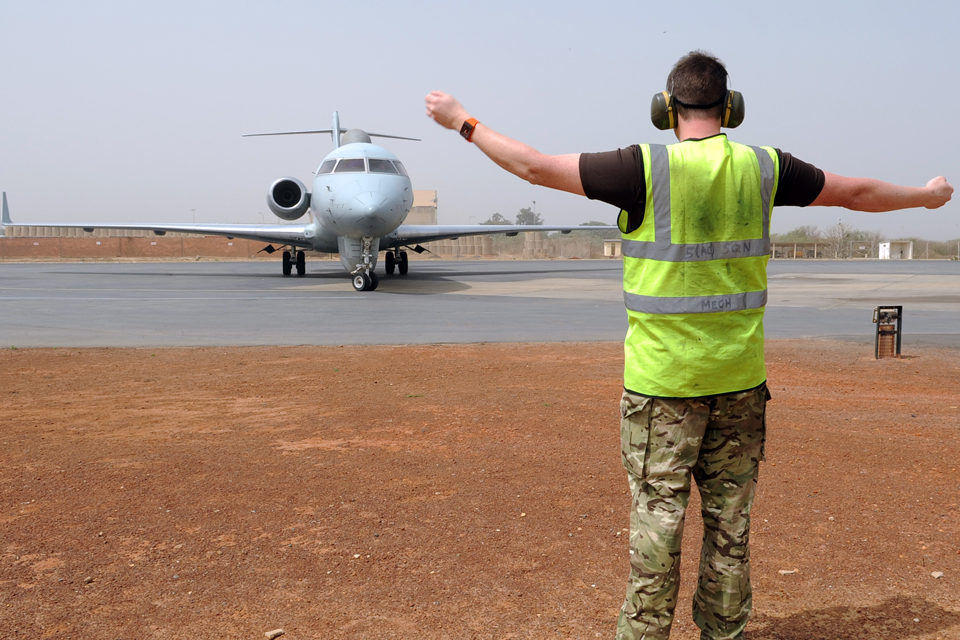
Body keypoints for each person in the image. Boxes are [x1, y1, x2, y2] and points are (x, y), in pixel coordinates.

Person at [425, 51, 953, 640]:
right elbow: (857, 193)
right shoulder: (764, 167)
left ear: (665, 109)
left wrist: (463, 122)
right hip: (740, 384)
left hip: (662, 391)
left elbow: (536, 169)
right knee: (730, 528)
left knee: (658, 525)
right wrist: (926, 197)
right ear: (731, 108)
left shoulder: (641, 168)